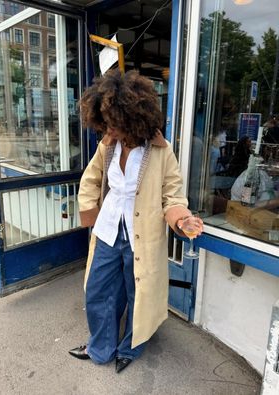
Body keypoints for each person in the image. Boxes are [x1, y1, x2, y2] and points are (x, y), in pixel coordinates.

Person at [69, 69, 203, 373]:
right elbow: (92, 178)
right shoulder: (108, 144)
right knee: (98, 290)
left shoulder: (160, 151)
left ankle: (131, 347)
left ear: (133, 118)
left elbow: (173, 195)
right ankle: (100, 347)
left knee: (138, 294)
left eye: (114, 123)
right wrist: (89, 209)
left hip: (141, 234)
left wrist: (181, 220)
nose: (109, 129)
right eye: (106, 122)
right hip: (107, 229)